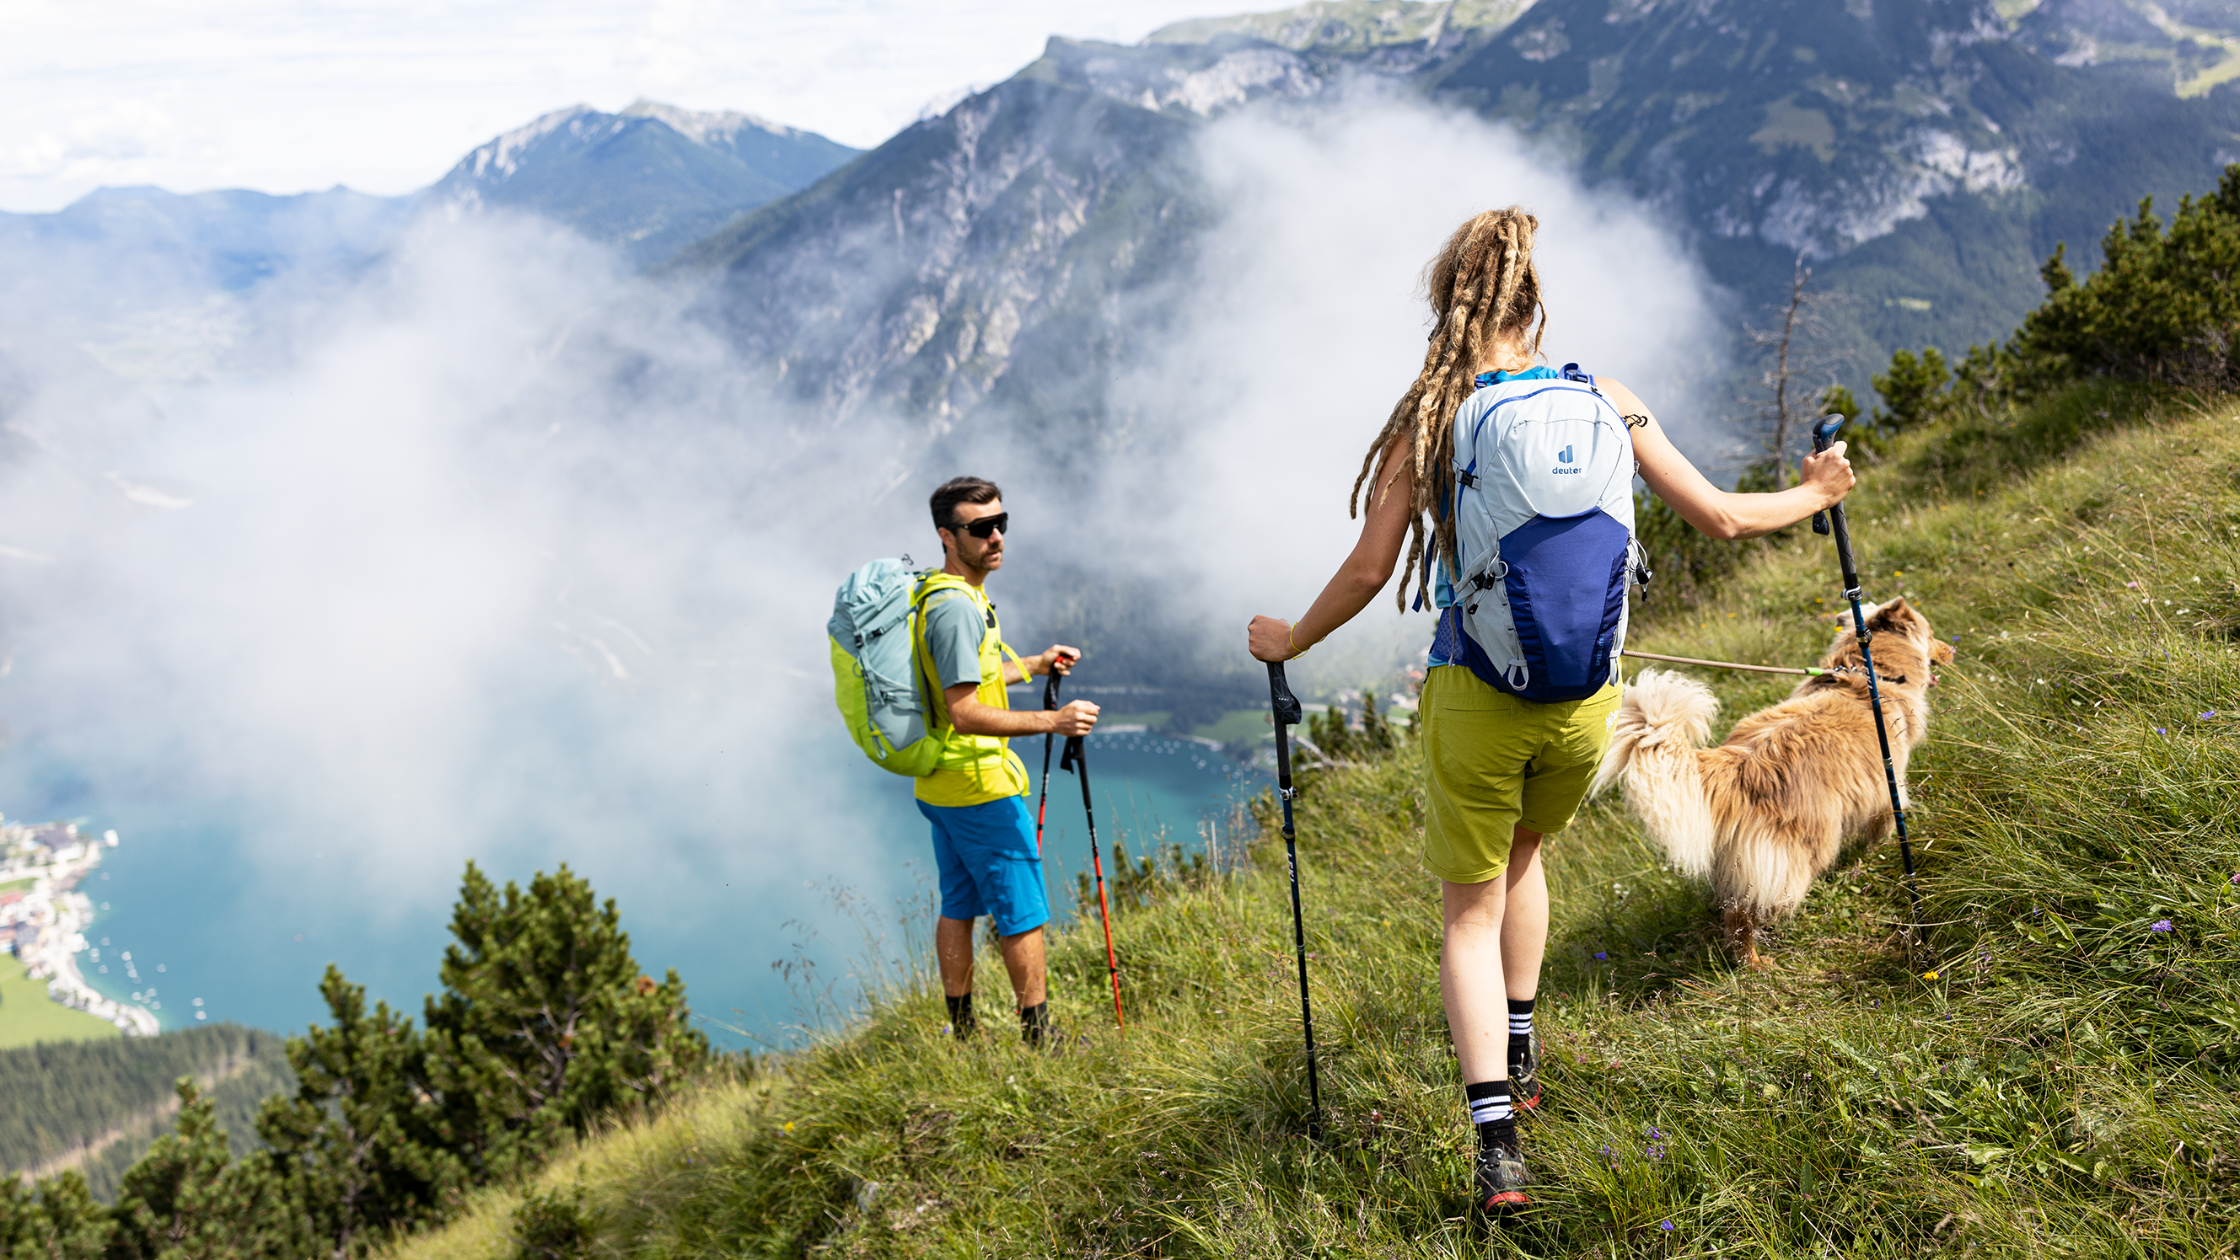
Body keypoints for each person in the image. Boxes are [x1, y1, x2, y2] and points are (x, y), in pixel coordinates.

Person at [1245, 208, 1855, 1212]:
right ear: (1532, 306)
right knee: (1526, 856)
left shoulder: (1430, 418)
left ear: (1450, 311)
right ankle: (1522, 1049)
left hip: (1475, 695)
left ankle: (1494, 1146)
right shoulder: (1605, 401)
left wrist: (1288, 639)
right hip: (1583, 702)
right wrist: (1819, 492)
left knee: (1466, 910)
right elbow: (1722, 517)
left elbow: (1366, 569)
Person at [915, 476, 1100, 1044]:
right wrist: (1055, 720)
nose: (996, 536)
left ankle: (964, 1034)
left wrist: (1036, 665)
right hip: (980, 787)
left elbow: (975, 677)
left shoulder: (946, 595)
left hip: (942, 783)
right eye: (979, 528)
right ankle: (1041, 1040)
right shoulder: (956, 610)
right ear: (948, 537)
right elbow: (965, 710)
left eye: (1002, 523)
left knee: (960, 903)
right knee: (1022, 910)